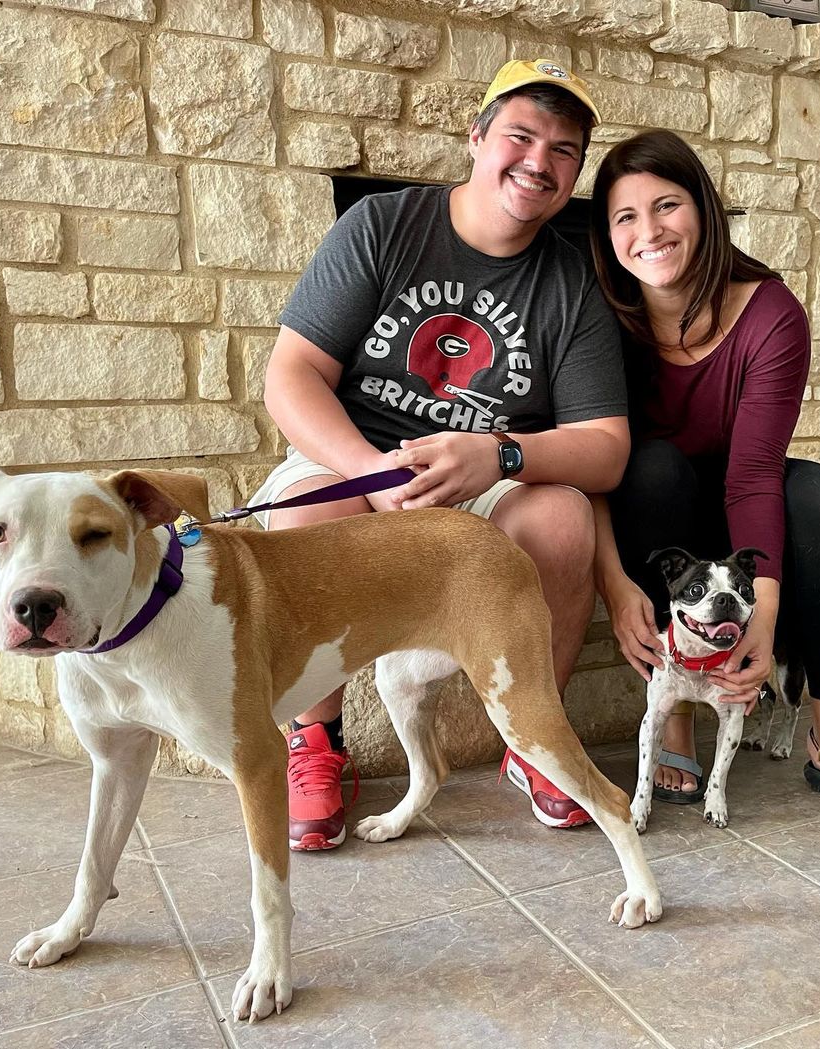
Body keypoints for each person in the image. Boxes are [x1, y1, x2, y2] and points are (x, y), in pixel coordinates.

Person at [254, 60, 632, 850]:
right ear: (477, 138)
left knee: (565, 522)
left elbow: (607, 451)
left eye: (565, 149)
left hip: (488, 477)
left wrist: (499, 454)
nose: (539, 160)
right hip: (358, 462)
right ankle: (315, 741)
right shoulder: (384, 225)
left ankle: (539, 743)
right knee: (308, 517)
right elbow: (291, 377)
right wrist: (368, 470)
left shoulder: (572, 280)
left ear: (576, 173)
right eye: (521, 135)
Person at [588, 129, 820, 835]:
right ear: (606, 236)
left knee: (819, 493)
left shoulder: (771, 314)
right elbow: (591, 466)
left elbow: (753, 474)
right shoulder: (600, 316)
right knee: (651, 465)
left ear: (705, 210)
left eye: (666, 205)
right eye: (625, 216)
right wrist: (612, 580)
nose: (648, 231)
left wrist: (765, 610)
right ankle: (680, 721)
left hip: (739, 515)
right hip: (654, 516)